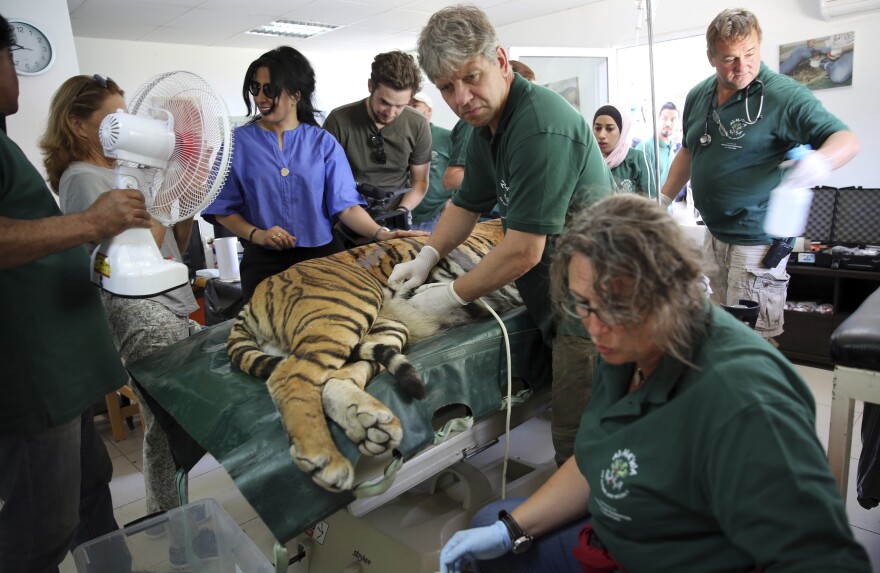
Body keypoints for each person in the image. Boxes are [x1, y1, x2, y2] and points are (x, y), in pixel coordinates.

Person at [438, 194, 872, 573]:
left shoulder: (745, 401)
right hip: (619, 541)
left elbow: (823, 560)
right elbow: (601, 462)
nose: (598, 328)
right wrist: (510, 530)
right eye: (585, 305)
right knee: (490, 525)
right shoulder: (627, 348)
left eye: (619, 306)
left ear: (674, 288)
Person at [391, 5, 615, 466]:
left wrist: (449, 294)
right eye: (447, 87)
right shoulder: (484, 130)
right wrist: (428, 254)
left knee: (580, 446)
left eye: (471, 76)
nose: (462, 97)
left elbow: (523, 252)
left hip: (595, 309)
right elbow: (465, 205)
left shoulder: (539, 126)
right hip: (557, 293)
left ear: (502, 61)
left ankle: (597, 532)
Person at [0, 13, 151, 571]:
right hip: (34, 378)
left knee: (88, 487)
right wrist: (91, 223)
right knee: (42, 529)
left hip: (62, 371)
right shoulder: (87, 182)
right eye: (12, 60)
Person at [40, 73, 198, 517]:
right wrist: (165, 200)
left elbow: (170, 248)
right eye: (115, 118)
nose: (127, 127)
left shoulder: (126, 174)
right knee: (166, 426)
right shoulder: (81, 178)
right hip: (138, 311)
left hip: (170, 299)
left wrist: (183, 198)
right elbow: (127, 253)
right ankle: (171, 522)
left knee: (175, 423)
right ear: (78, 123)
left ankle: (173, 515)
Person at [660, 8, 859, 340]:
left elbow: (846, 140)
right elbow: (689, 149)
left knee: (752, 342)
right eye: (729, 58)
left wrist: (820, 161)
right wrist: (663, 197)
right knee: (718, 332)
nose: (742, 66)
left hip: (756, 243)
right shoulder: (698, 96)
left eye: (750, 53)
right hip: (714, 235)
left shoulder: (783, 96)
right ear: (711, 57)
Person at [202, 46, 422, 302]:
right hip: (263, 264)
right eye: (256, 88)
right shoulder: (236, 145)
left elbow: (347, 208)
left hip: (323, 260)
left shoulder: (323, 143)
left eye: (270, 89)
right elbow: (224, 209)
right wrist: (257, 234)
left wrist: (381, 233)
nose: (261, 97)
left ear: (296, 94)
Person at [323, 50, 431, 226]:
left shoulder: (417, 123)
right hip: (347, 215)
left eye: (399, 106)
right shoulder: (338, 120)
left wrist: (401, 212)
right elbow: (327, 180)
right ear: (370, 86)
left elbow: (420, 181)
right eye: (384, 102)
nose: (390, 113)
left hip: (397, 214)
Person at [408, 93, 452, 232]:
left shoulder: (447, 137)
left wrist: (454, 199)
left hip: (436, 215)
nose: (410, 110)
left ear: (429, 111)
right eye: (406, 106)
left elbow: (466, 170)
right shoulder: (398, 138)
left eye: (415, 105)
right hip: (402, 215)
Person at [593, 104, 654, 198]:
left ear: (622, 131)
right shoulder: (589, 159)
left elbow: (650, 203)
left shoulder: (638, 159)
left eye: (609, 129)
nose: (601, 135)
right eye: (597, 128)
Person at [634, 101, 679, 191]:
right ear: (657, 119)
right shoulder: (645, 147)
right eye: (664, 118)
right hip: (650, 204)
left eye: (673, 119)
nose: (668, 123)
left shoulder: (671, 148)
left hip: (667, 204)